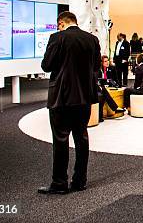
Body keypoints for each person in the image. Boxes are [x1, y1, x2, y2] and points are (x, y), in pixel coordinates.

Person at [39, 11, 100, 194]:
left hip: (61, 98)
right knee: (81, 137)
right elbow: (96, 67)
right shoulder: (92, 39)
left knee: (60, 139)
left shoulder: (57, 38)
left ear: (61, 23)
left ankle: (59, 183)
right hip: (84, 97)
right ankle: (80, 181)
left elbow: (46, 65)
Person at [97, 56, 125, 122]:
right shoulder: (98, 70)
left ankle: (114, 108)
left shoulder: (112, 68)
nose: (107, 63)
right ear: (101, 63)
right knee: (103, 93)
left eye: (108, 61)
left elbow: (117, 81)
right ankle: (115, 108)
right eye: (105, 61)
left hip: (111, 87)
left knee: (103, 93)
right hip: (101, 88)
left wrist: (114, 83)